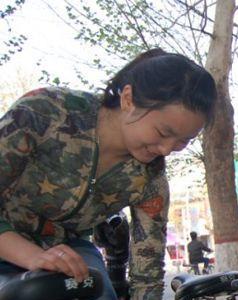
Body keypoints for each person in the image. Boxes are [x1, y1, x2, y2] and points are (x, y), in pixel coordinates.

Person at [0, 48, 217, 300]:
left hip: (69, 248)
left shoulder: (151, 177)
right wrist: (32, 256)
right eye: (162, 132)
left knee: (97, 292)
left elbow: (147, 274)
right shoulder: (46, 113)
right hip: (8, 239)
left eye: (183, 142)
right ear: (128, 100)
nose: (167, 150)